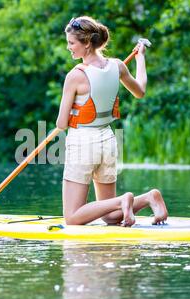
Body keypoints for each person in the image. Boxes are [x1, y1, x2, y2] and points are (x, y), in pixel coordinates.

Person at [56, 16, 168, 227]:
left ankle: (122, 200)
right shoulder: (117, 66)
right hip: (108, 140)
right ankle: (148, 198)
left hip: (83, 143)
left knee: (72, 217)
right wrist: (140, 58)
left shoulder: (75, 76)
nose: (68, 47)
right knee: (110, 215)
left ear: (87, 43)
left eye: (71, 43)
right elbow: (140, 91)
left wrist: (74, 112)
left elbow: (61, 124)